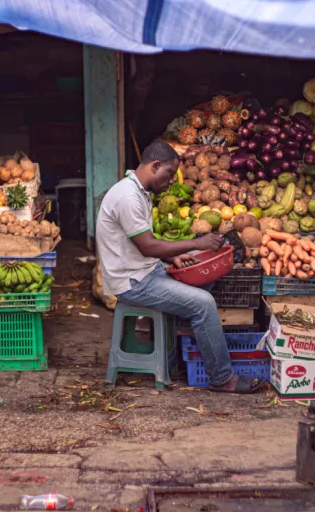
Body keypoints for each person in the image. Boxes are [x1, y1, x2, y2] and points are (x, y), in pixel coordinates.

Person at [96, 141, 262, 393]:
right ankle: (221, 377)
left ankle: (186, 349)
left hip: (145, 271)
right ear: (155, 166)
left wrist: (172, 258)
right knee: (203, 303)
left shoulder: (138, 191)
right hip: (133, 282)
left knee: (204, 273)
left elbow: (142, 247)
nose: (172, 180)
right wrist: (195, 243)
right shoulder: (127, 196)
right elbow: (148, 247)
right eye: (169, 173)